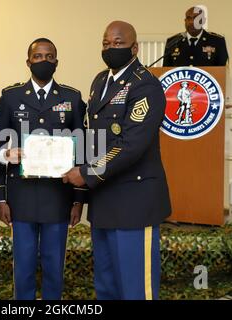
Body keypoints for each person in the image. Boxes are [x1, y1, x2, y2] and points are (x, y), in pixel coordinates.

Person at [63, 21, 171, 300]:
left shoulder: (145, 85)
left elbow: (131, 145)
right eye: (106, 43)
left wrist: (86, 173)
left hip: (134, 202)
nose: (111, 48)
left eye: (118, 43)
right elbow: (93, 136)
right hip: (104, 199)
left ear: (134, 48)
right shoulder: (100, 80)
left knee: (136, 288)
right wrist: (80, 192)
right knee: (107, 285)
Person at [0, 38, 87, 300]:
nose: (44, 61)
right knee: (23, 267)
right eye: (38, 56)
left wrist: (79, 199)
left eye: (49, 56)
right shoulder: (11, 97)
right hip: (21, 197)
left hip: (58, 197)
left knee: (54, 267)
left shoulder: (72, 98)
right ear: (28, 62)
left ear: (56, 62)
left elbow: (84, 150)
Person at [163, 6, 229, 66]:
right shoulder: (173, 41)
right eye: (189, 18)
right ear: (185, 21)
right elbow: (165, 71)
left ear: (203, 21)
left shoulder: (217, 41)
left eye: (196, 18)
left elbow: (223, 71)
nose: (192, 22)